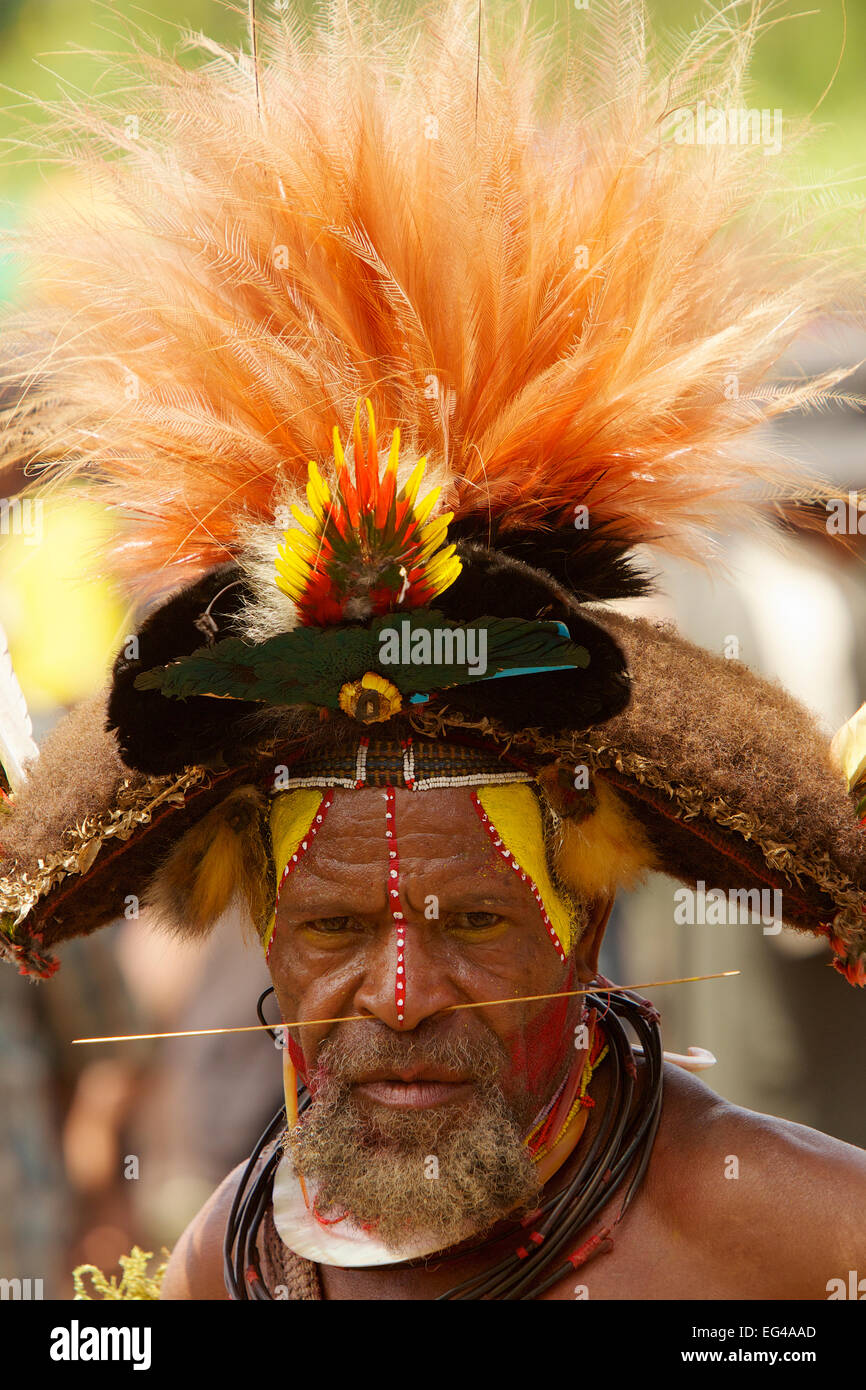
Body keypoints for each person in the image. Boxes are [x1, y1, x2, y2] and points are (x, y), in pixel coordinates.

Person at [0, 0, 864, 1302]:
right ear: (267, 937)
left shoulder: (803, 1243)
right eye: (335, 922)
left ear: (587, 924)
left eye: (470, 917)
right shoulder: (223, 1267)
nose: (397, 992)